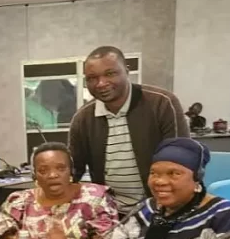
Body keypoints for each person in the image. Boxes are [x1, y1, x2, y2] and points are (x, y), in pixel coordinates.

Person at [69, 45, 189, 210]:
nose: (101, 83)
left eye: (110, 74)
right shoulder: (83, 118)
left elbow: (182, 161)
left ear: (126, 71)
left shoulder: (162, 103)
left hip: (163, 208)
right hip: (110, 212)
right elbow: (73, 169)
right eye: (92, 78)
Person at [105, 137, 230, 239]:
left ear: (196, 178)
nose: (160, 181)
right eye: (154, 173)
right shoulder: (147, 207)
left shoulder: (224, 215)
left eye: (174, 174)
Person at [0, 142, 117, 239]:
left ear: (71, 171)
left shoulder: (94, 197)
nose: (52, 175)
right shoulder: (19, 201)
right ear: (35, 175)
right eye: (43, 171)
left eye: (61, 168)